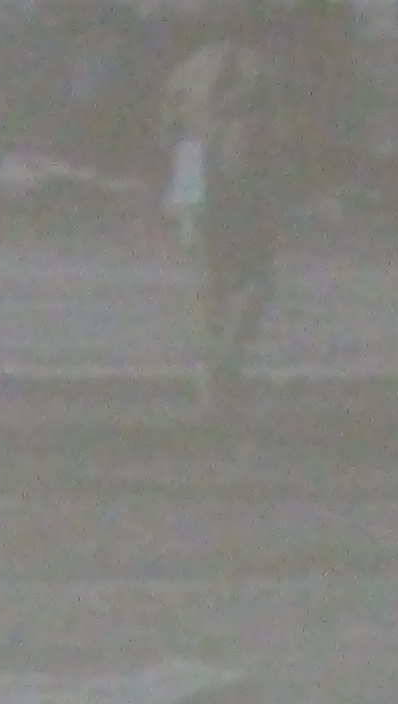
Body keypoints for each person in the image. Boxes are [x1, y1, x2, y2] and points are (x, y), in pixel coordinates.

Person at [160, 2, 305, 415]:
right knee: (254, 278)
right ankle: (227, 361)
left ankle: (211, 372)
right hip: (246, 179)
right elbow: (283, 135)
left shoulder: (184, 72)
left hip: (195, 173)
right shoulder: (264, 71)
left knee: (210, 280)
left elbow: (168, 134)